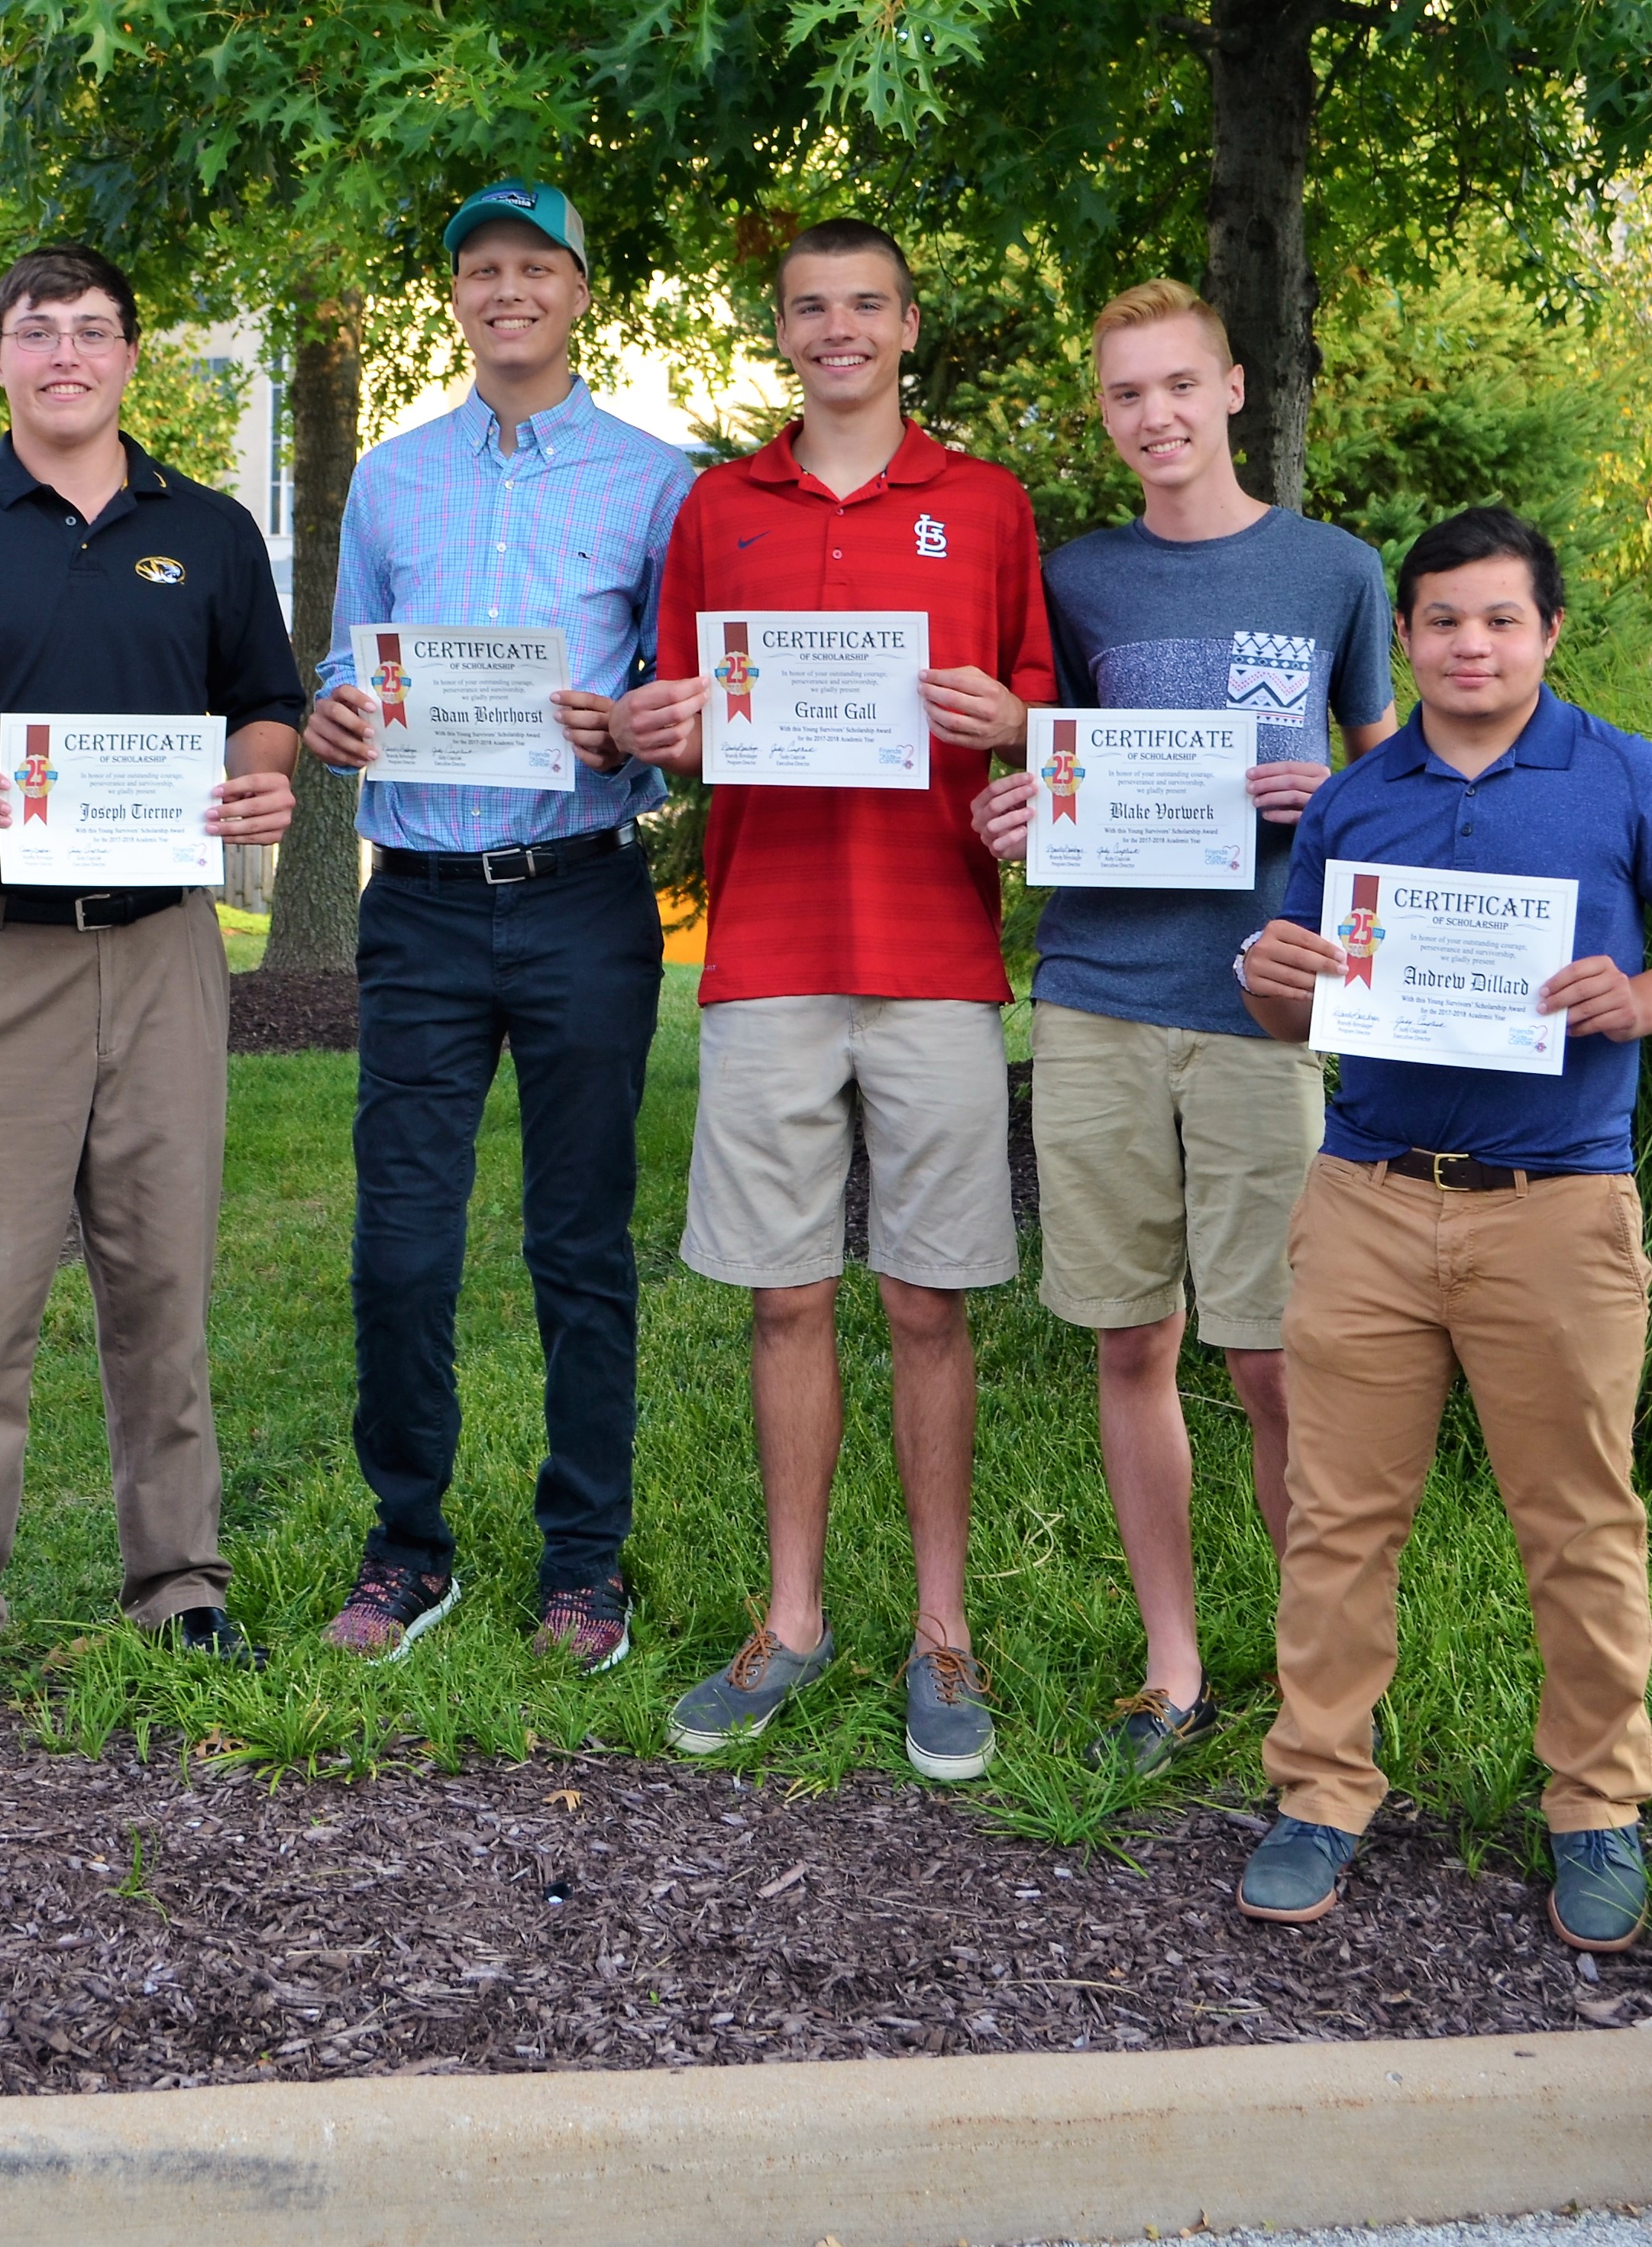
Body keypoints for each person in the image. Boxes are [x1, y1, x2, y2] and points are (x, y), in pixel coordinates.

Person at [1231, 506, 1652, 1948]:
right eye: (1442, 621)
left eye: (1499, 620)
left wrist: (1642, 998)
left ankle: (1597, 1804)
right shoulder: (1356, 799)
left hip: (1555, 1206)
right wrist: (1268, 975)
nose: (1470, 645)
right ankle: (1318, 1788)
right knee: (1337, 1516)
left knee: (1579, 1520)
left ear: (1547, 633)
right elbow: (1300, 1002)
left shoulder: (1625, 777)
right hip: (1365, 1191)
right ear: (1402, 637)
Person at [0, 244, 304, 1731]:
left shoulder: (213, 530)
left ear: (129, 354)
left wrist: (260, 788)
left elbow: (268, 711)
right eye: (35, 332)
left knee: (161, 1282)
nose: (64, 356)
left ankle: (181, 1586)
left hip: (166, 946)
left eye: (91, 331)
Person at [613, 218, 1056, 1783]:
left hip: (936, 952)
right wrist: (662, 723)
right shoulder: (717, 505)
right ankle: (791, 1617)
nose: (840, 328)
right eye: (812, 307)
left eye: (867, 303)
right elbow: (672, 716)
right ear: (781, 335)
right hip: (768, 952)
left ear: (909, 326)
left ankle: (943, 1630)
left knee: (928, 1301)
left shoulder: (987, 505)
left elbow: (1042, 727)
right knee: (785, 1292)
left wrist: (1014, 720)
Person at [968, 280, 1396, 1775]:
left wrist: (1327, 806)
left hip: (1263, 1003)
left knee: (1275, 1358)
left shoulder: (1336, 570)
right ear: (1109, 414)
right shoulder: (1079, 581)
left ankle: (1314, 1677)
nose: (1151, 415)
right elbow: (1054, 766)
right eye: (1123, 394)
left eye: (1175, 386)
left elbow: (1392, 785)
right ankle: (1173, 1668)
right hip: (1095, 996)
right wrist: (1013, 810)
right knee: (1132, 1339)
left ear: (1229, 388)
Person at [300, 180, 696, 1672]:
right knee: (401, 1243)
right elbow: (348, 664)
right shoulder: (394, 481)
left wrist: (634, 734)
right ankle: (409, 1548)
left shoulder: (659, 481)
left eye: (536, 266)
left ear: (581, 291)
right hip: (421, 911)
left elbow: (676, 692)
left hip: (585, 895)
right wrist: (337, 711)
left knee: (579, 1244)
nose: (507, 290)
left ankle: (583, 1562)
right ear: (456, 296)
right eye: (481, 268)